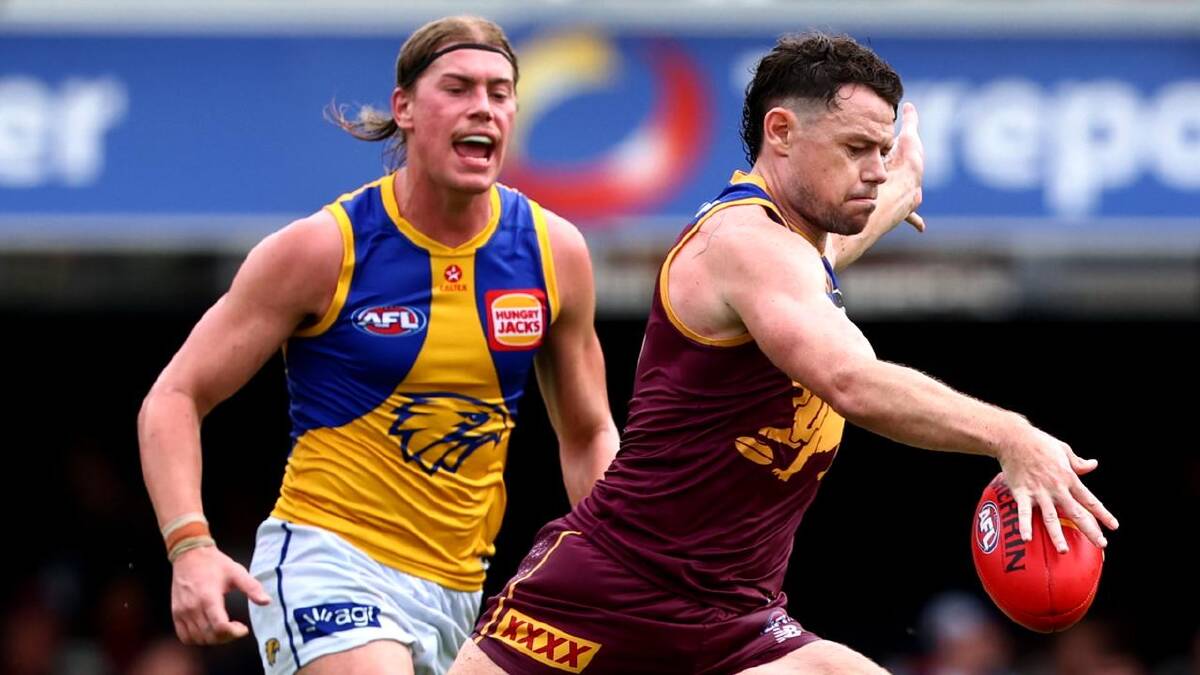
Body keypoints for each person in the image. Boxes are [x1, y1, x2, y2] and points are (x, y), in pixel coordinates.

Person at [450, 32, 1118, 674]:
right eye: (856, 147)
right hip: (605, 590)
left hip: (735, 617)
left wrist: (899, 189)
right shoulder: (744, 242)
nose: (873, 169)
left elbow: (824, 258)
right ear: (782, 133)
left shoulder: (795, 250)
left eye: (883, 151)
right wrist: (1011, 435)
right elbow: (850, 380)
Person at [137, 15, 619, 675]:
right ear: (405, 109)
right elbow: (175, 394)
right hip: (326, 561)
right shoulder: (322, 247)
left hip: (456, 590)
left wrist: (625, 560)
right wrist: (189, 543)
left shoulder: (553, 250)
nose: (483, 106)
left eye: (500, 91)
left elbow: (589, 434)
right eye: (458, 87)